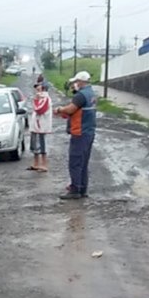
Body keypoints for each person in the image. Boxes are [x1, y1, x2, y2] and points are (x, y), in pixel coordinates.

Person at [54, 70, 97, 200]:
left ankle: (75, 189)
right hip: (89, 132)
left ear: (81, 82)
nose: (74, 85)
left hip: (79, 132)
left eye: (76, 82)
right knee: (83, 162)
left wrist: (60, 109)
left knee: (75, 162)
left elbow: (71, 109)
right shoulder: (91, 94)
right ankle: (83, 188)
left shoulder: (81, 96)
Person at [27, 82, 51, 172]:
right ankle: (36, 163)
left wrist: (36, 100)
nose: (36, 90)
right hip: (36, 126)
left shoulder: (45, 98)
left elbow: (39, 110)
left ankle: (44, 165)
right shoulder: (40, 98)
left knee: (42, 145)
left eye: (39, 88)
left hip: (41, 126)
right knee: (35, 145)